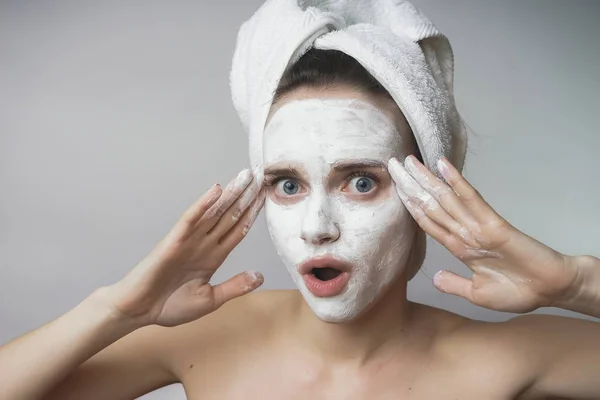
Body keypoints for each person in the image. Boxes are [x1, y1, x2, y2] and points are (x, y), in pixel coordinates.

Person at [2, 27, 600, 400]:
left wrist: (574, 283)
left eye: (361, 181)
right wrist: (118, 311)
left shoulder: (506, 362)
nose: (317, 226)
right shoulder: (207, 337)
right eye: (287, 184)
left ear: (430, 200)